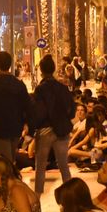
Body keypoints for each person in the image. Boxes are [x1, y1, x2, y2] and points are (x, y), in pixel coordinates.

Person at [30, 54, 73, 195]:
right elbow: (71, 111)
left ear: (41, 70)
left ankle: (37, 198)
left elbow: (38, 112)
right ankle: (71, 195)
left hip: (45, 131)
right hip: (62, 131)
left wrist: (34, 127)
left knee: (40, 167)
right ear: (54, 69)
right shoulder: (63, 87)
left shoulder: (40, 89)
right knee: (64, 166)